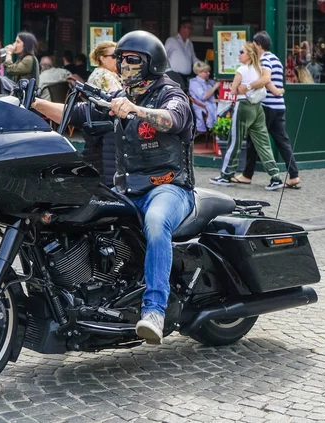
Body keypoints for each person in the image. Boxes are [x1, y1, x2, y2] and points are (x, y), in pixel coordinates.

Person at [31, 31, 195, 345]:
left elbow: (173, 119)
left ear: (151, 64)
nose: (124, 65)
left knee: (157, 223)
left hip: (169, 187)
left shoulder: (170, 92)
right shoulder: (121, 95)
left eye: (132, 60)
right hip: (127, 190)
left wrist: (136, 110)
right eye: (121, 59)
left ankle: (154, 310)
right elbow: (77, 114)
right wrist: (35, 103)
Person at [209, 42, 284, 190]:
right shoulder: (260, 70)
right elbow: (271, 87)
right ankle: (275, 176)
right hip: (258, 107)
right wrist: (280, 91)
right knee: (263, 143)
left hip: (243, 106)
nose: (239, 54)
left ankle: (226, 175)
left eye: (241, 52)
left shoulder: (241, 70)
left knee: (234, 141)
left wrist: (239, 88)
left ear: (249, 54)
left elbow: (233, 91)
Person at [237, 31, 301, 189]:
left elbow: (266, 79)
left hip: (266, 106)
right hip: (279, 106)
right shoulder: (277, 59)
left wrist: (249, 86)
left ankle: (247, 175)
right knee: (282, 141)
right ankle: (294, 175)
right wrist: (278, 92)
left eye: (254, 44)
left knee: (254, 140)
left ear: (258, 45)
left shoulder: (264, 59)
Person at [82, 41, 122, 186]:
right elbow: (119, 100)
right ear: (102, 58)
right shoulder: (104, 75)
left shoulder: (101, 73)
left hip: (98, 126)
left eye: (119, 56)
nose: (118, 60)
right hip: (106, 127)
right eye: (114, 56)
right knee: (109, 171)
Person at [164, 19, 199, 88]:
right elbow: (164, 55)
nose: (191, 31)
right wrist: (169, 71)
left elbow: (193, 58)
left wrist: (202, 67)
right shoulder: (172, 40)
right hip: (174, 75)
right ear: (182, 28)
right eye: (189, 28)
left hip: (186, 77)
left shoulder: (189, 43)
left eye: (192, 28)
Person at [188, 61, 219, 134]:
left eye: (209, 71)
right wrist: (215, 87)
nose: (209, 73)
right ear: (199, 73)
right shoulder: (194, 83)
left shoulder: (208, 81)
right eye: (206, 72)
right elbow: (204, 96)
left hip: (212, 104)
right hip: (202, 107)